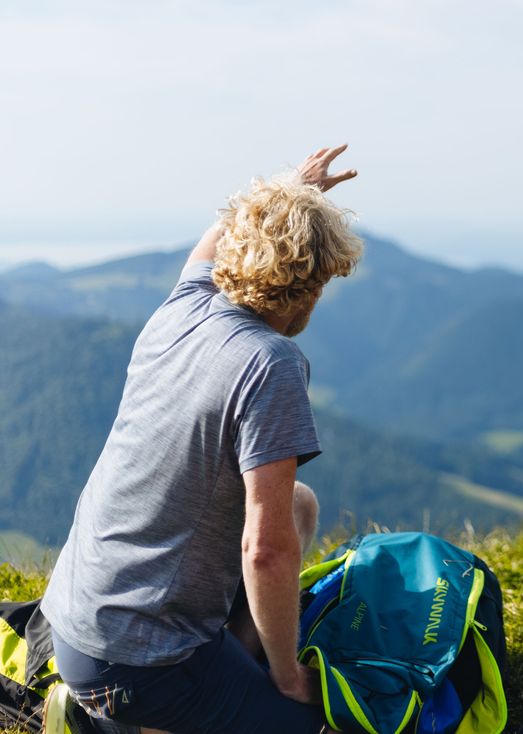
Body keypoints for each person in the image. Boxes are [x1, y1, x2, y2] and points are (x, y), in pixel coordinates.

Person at [40, 145, 363, 734]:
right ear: (313, 285)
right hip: (136, 662)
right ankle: (117, 721)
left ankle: (187, 687)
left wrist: (289, 189)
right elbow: (266, 550)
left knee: (300, 504)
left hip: (74, 620)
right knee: (315, 726)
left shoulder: (185, 306)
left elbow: (220, 233)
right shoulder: (272, 363)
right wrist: (288, 676)